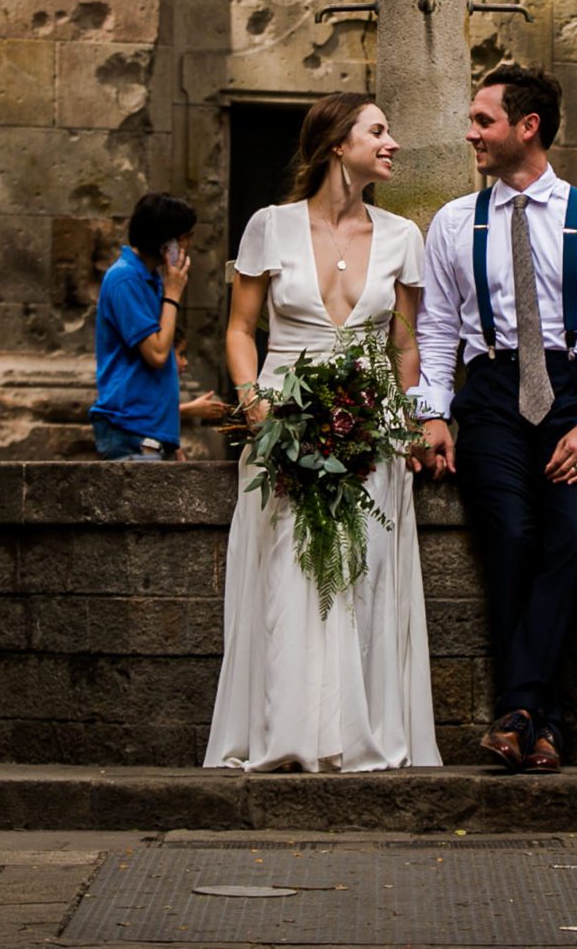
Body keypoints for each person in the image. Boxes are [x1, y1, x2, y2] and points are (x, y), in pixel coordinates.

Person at [415, 64, 577, 776]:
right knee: (508, 538)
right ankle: (539, 722)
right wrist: (432, 413)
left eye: (483, 120)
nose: (471, 132)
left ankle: (521, 712)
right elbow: (437, 328)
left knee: (572, 533)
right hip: (489, 394)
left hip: (572, 392)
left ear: (527, 126)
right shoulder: (453, 221)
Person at [206, 94, 434, 772]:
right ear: (339, 142)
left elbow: (407, 345)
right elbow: (241, 330)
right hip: (283, 419)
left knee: (364, 573)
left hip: (370, 426)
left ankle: (359, 732)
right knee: (289, 573)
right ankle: (289, 730)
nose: (391, 142)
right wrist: (256, 411)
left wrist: (413, 420)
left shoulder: (401, 236)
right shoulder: (268, 226)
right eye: (378, 130)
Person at [91, 192, 225, 460]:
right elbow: (157, 353)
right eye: (186, 237)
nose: (188, 245)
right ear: (168, 243)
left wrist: (169, 439)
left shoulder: (149, 278)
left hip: (149, 428)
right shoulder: (125, 279)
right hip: (131, 428)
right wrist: (173, 295)